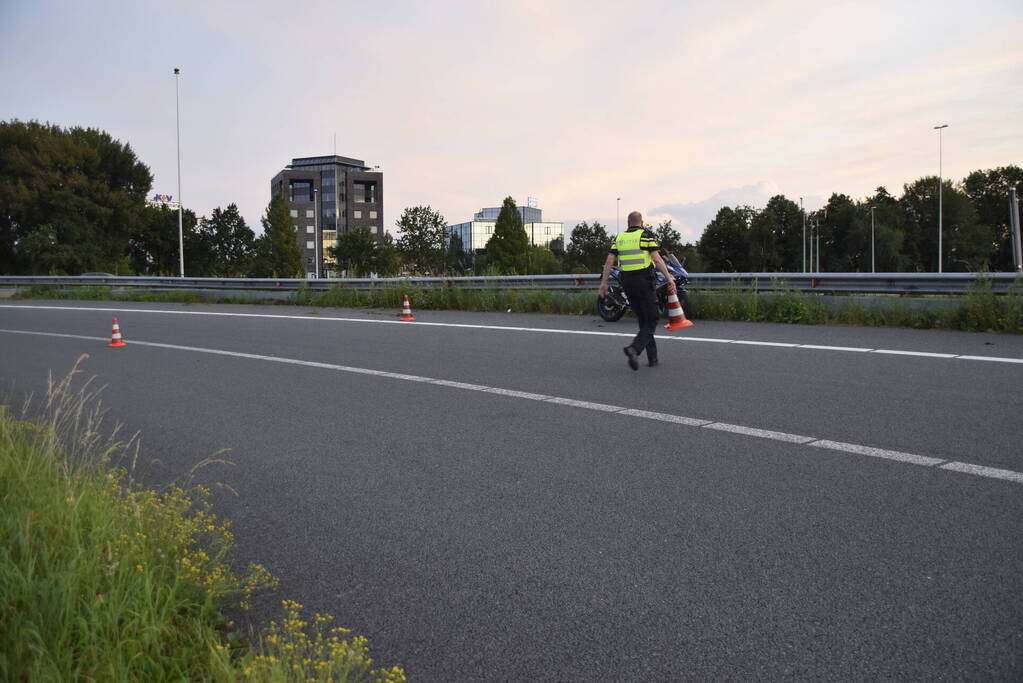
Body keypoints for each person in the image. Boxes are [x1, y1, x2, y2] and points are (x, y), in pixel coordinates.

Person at [598, 211, 676, 370]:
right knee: (653, 317)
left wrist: (604, 283)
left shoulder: (619, 238)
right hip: (643, 280)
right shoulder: (645, 235)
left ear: (628, 223)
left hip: (626, 281)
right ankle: (634, 349)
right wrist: (669, 278)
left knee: (643, 319)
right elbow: (657, 259)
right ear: (641, 222)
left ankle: (652, 359)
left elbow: (609, 261)